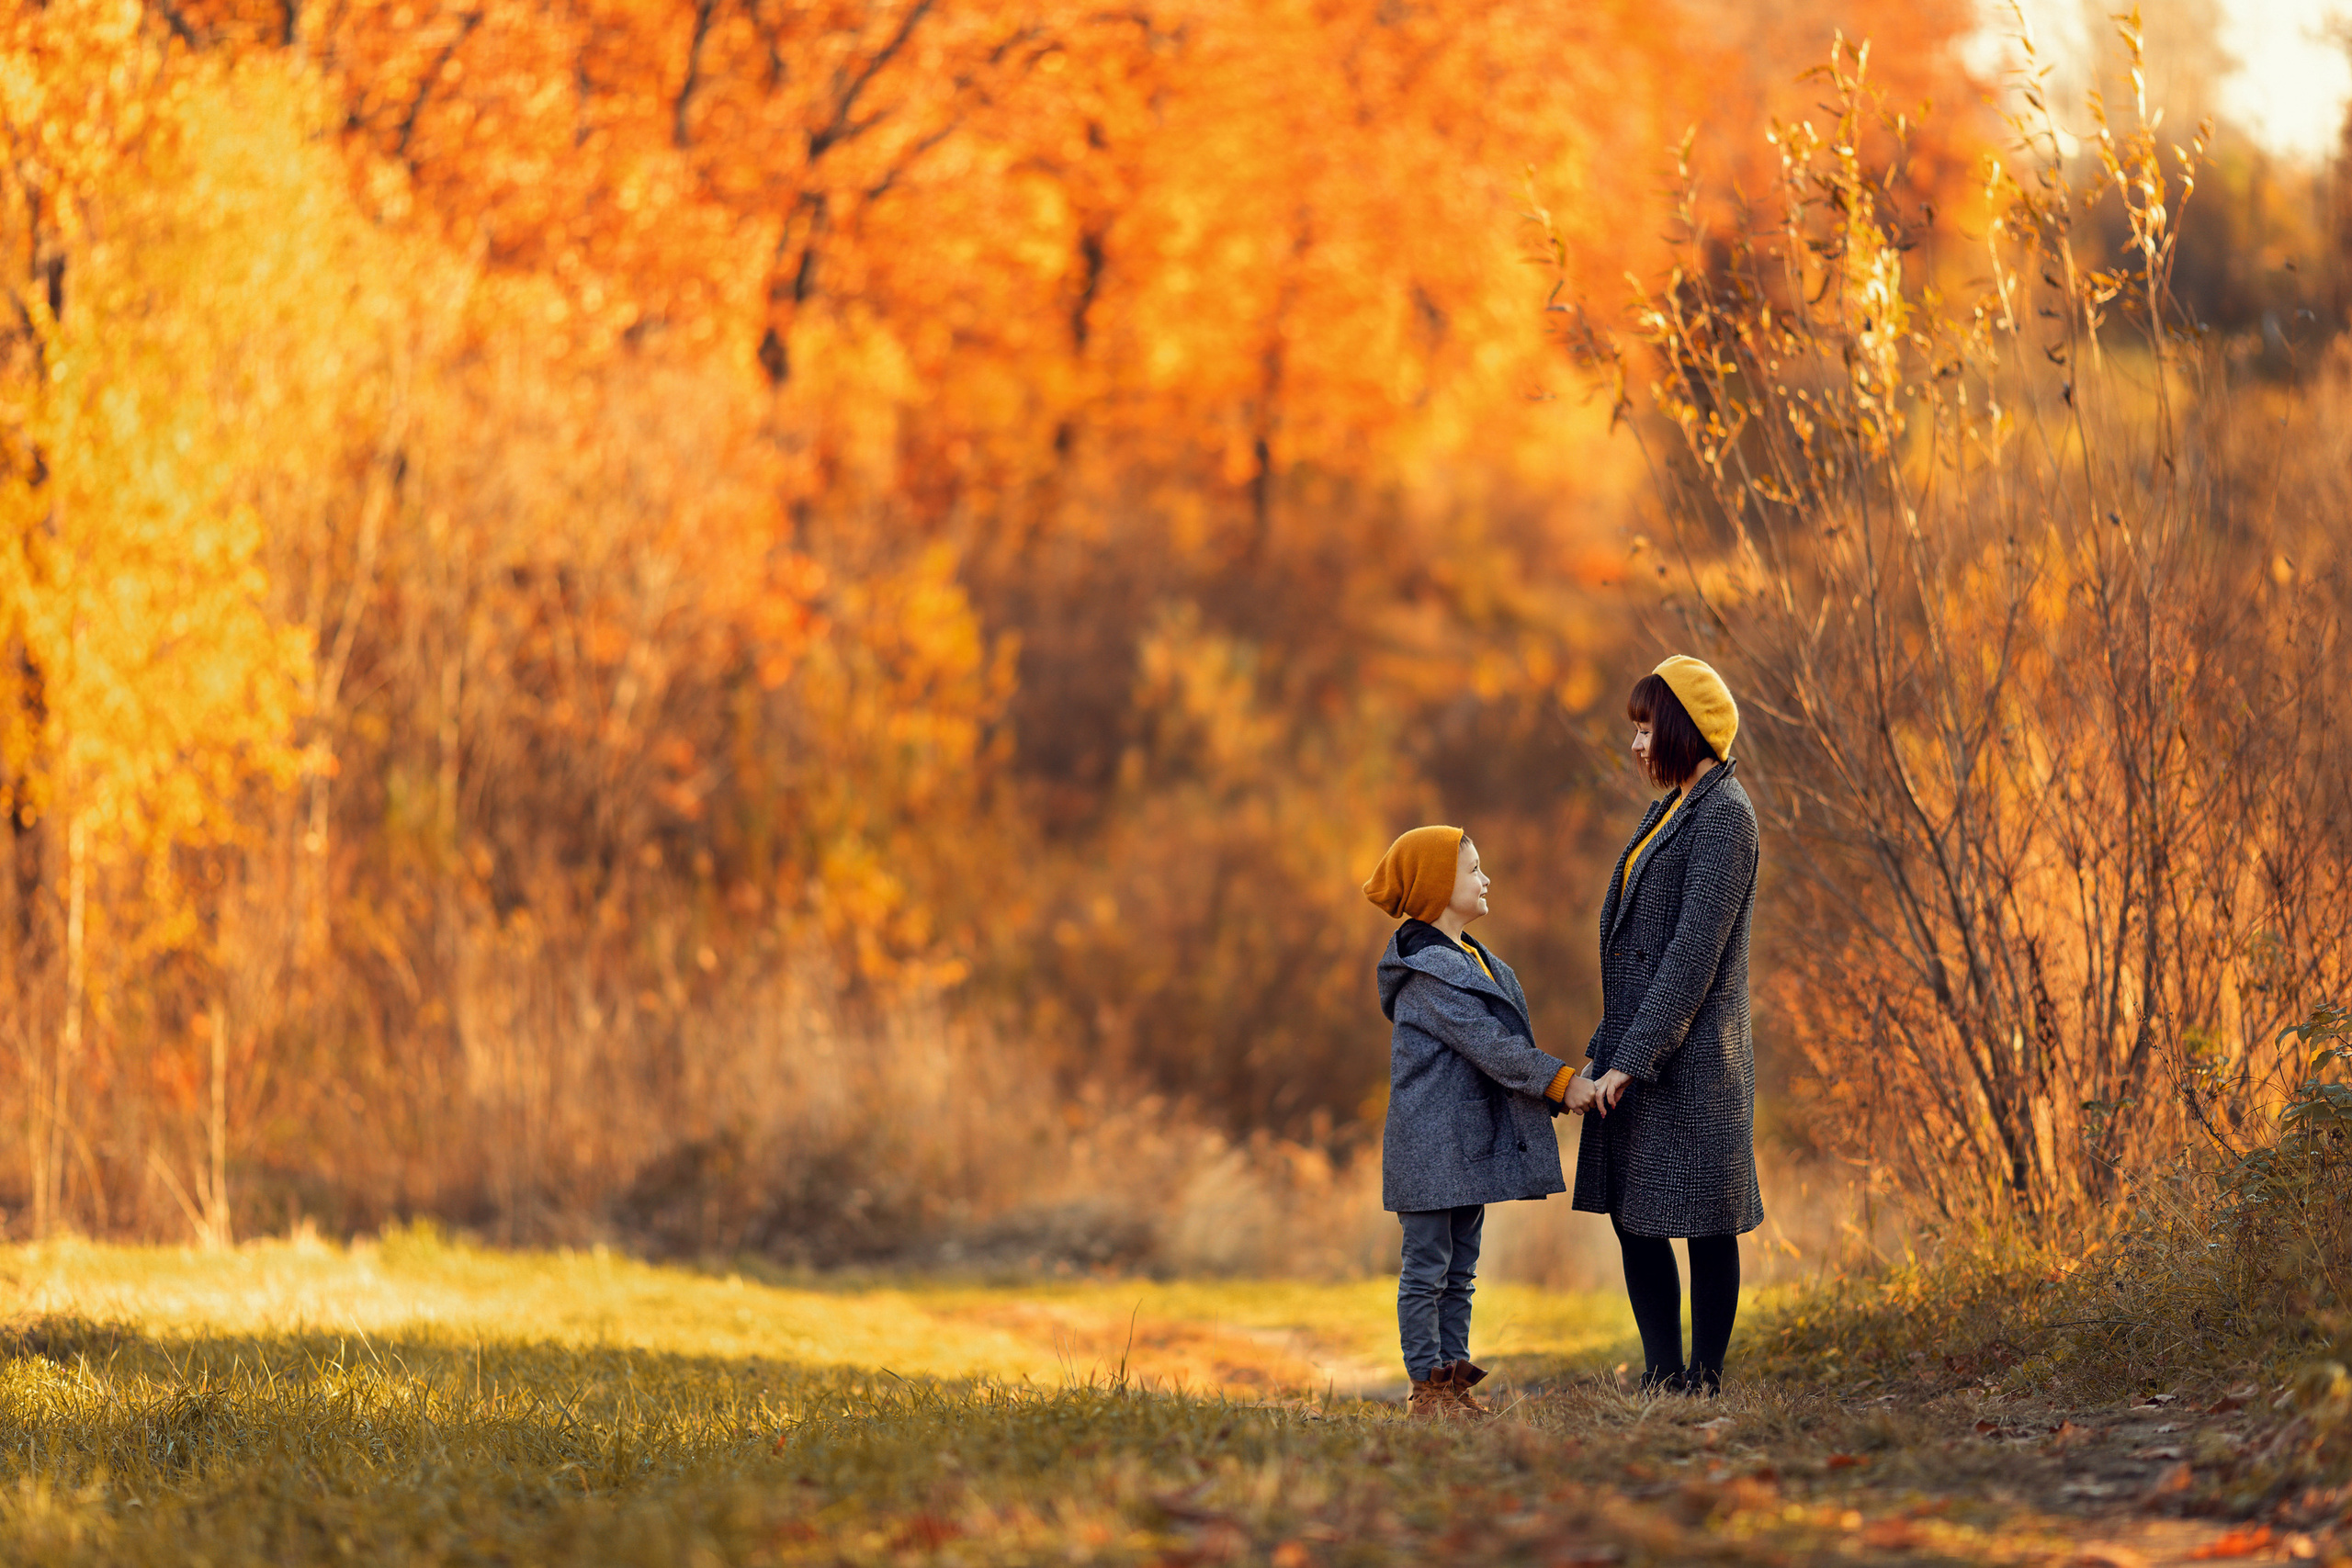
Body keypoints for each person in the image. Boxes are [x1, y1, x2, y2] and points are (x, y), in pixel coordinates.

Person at [1562, 655, 1763, 1394]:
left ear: (1687, 726)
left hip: (1696, 1059)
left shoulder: (1726, 815)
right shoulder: (1673, 808)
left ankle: (1702, 1380)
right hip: (1638, 1047)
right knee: (1635, 1215)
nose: (1639, 743)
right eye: (1637, 729)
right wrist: (1607, 1047)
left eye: (1648, 727)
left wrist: (1632, 1057)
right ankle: (1662, 1374)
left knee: (1706, 1222)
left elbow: (1690, 955)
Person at [1364, 826, 1577, 1420]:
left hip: (1464, 1148)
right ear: (1438, 887)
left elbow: (1502, 1047)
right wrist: (1561, 1082)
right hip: (1430, 1150)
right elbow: (1493, 1046)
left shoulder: (1473, 959)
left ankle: (1454, 1382)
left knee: (1460, 1272)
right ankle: (1427, 1388)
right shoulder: (1428, 975)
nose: (1486, 879)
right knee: (1428, 1268)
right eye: (1472, 870)